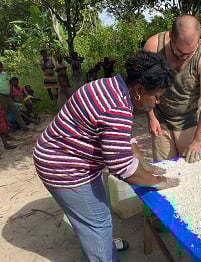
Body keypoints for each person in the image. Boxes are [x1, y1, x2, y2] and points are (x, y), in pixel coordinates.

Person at [32, 50, 178, 261]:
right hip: (64, 167)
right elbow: (122, 167)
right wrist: (159, 181)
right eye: (156, 96)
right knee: (98, 224)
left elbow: (122, 140)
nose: (157, 102)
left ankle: (98, 248)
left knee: (94, 220)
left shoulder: (111, 86)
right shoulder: (116, 107)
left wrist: (144, 164)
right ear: (139, 89)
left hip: (60, 153)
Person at [143, 14, 201, 163]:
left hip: (190, 124)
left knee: (196, 175)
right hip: (160, 122)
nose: (184, 57)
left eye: (189, 53)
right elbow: (145, 87)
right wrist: (151, 117)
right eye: (179, 52)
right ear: (171, 37)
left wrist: (198, 139)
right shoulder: (153, 47)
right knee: (166, 174)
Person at [0, 62, 28, 131]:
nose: (0, 68)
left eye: (1, 67)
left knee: (15, 111)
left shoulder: (4, 74)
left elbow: (11, 81)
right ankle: (7, 129)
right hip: (1, 96)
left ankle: (24, 126)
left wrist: (11, 89)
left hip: (8, 96)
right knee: (4, 113)